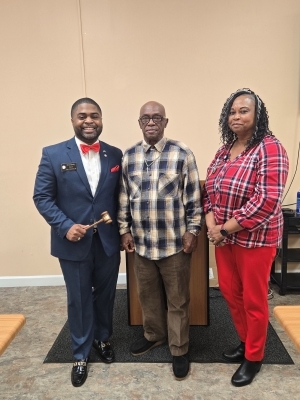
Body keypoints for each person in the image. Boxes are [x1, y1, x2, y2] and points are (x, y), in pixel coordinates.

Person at [202, 88, 289, 387]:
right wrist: (213, 226)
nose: (236, 116)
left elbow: (266, 200)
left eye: (244, 110)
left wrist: (224, 228)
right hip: (224, 239)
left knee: (253, 299)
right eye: (232, 111)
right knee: (229, 292)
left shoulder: (270, 148)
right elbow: (208, 191)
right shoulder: (225, 149)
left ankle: (254, 356)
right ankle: (245, 340)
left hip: (255, 240)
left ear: (258, 115)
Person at [33, 98, 122, 387]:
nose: (88, 121)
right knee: (79, 298)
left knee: (106, 295)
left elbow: (119, 198)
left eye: (94, 116)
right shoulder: (53, 154)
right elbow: (42, 197)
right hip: (72, 243)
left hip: (108, 241)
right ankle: (81, 354)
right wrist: (65, 226)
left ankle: (103, 339)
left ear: (101, 119)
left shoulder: (115, 154)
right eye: (82, 116)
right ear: (72, 120)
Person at [118, 101, 202, 380]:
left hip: (174, 244)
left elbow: (193, 198)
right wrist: (124, 230)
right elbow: (123, 199)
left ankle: (179, 349)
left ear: (166, 122)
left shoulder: (182, 153)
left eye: (157, 118)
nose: (151, 122)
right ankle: (154, 334)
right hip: (141, 244)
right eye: (145, 118)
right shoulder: (129, 156)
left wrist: (193, 230)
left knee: (178, 299)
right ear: (139, 123)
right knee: (148, 296)